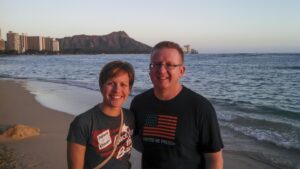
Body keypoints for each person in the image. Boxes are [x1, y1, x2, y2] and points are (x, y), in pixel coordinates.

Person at [130, 41, 224, 169]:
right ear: (150, 69)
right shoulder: (139, 103)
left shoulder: (200, 107)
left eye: (169, 65)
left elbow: (214, 160)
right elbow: (137, 143)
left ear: (181, 71)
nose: (162, 70)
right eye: (156, 64)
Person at [67, 61, 135, 169]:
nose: (117, 90)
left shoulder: (130, 117)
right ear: (101, 86)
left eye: (123, 84)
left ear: (129, 89)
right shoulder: (83, 123)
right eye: (111, 83)